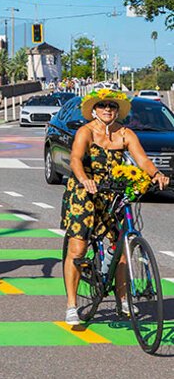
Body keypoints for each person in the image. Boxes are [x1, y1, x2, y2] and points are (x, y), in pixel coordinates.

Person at [61, 89, 169, 326]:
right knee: (77, 249)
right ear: (94, 110)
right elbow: (76, 160)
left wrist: (156, 174)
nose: (107, 109)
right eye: (102, 106)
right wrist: (84, 179)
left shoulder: (125, 133)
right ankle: (71, 305)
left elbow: (142, 160)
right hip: (85, 191)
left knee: (121, 247)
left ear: (117, 110)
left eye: (112, 106)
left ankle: (123, 300)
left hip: (112, 192)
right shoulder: (86, 132)